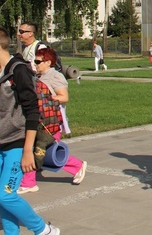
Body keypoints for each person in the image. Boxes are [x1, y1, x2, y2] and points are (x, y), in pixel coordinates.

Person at [0, 25, 60, 235]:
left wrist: (27, 151)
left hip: (18, 143)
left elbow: (32, 112)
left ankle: (42, 229)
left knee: (5, 196)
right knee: (3, 198)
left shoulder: (19, 70)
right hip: (0, 144)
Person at [18, 47, 87, 194]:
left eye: (38, 61)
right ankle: (30, 180)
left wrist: (45, 100)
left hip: (52, 121)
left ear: (48, 62)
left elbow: (64, 97)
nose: (35, 64)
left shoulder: (55, 76)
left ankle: (76, 166)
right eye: (34, 61)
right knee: (41, 149)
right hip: (41, 120)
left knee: (40, 149)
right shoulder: (38, 76)